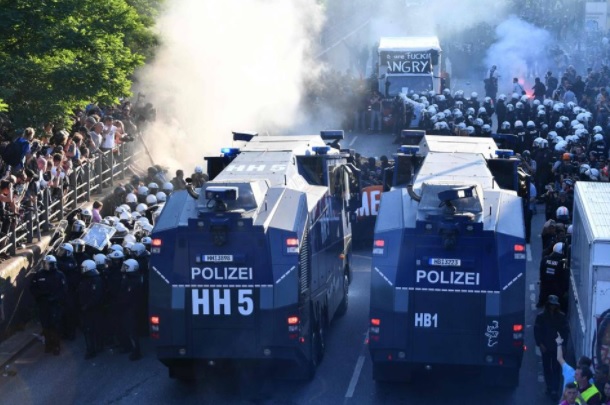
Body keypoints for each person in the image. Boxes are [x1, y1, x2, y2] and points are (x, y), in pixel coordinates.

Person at [29, 255, 67, 355]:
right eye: (44, 263)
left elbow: (63, 290)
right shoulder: (39, 275)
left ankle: (56, 345)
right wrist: (40, 295)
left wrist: (55, 298)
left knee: (55, 325)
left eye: (47, 264)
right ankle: (48, 344)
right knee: (45, 325)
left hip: (55, 304)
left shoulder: (59, 275)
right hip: (43, 304)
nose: (45, 265)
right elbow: (33, 288)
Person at [534, 294, 569, 401]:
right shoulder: (541, 317)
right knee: (547, 368)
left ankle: (554, 389)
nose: (553, 307)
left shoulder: (561, 317)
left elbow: (565, 332)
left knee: (556, 368)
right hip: (546, 347)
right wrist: (540, 344)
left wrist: (563, 346)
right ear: (548, 305)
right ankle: (549, 386)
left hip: (557, 347)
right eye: (551, 305)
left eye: (554, 305)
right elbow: (537, 331)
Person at [117, 258, 143, 360]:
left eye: (126, 267)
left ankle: (136, 351)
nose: (123, 268)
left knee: (132, 331)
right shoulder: (129, 278)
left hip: (131, 309)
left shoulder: (133, 281)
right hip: (128, 308)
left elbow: (127, 296)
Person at [77, 259, 104, 359]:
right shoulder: (85, 279)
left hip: (92, 309)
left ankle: (92, 350)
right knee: (90, 329)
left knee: (92, 330)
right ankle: (96, 347)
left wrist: (87, 306)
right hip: (87, 309)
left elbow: (96, 296)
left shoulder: (96, 280)